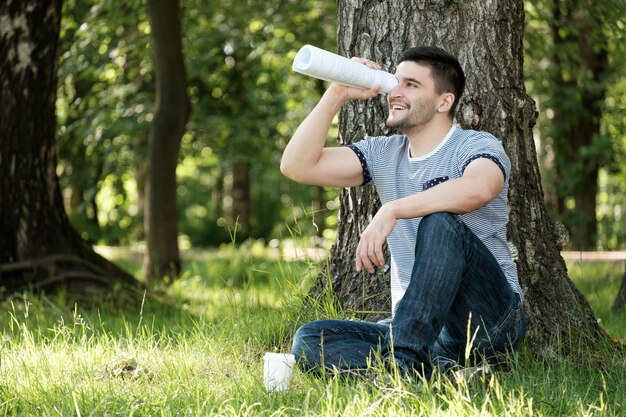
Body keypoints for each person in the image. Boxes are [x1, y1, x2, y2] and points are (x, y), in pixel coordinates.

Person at [280, 46, 526, 380]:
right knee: (311, 339)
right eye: (395, 83)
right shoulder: (383, 153)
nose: (394, 92)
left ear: (444, 101)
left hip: (488, 319)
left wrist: (393, 209)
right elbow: (297, 165)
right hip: (420, 332)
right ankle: (440, 371)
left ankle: (402, 367)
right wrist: (337, 92)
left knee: (440, 222)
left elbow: (479, 188)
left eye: (411, 85)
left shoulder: (475, 145)